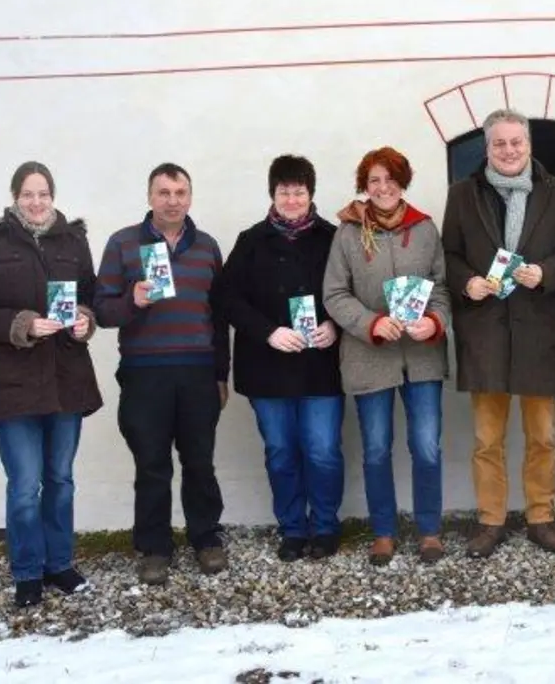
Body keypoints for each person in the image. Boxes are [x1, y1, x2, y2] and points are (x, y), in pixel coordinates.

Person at [0, 161, 102, 608]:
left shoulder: (74, 241)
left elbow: (91, 300)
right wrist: (21, 323)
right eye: (27, 194)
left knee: (61, 479)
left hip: (65, 381)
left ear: (53, 196)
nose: (36, 202)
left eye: (43, 194)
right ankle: (26, 571)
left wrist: (84, 321)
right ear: (15, 196)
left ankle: (60, 564)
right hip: (13, 386)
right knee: (24, 484)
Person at [442, 109, 555, 557]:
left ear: (529, 145)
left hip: (539, 330)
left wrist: (546, 272)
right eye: (500, 144)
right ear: (487, 148)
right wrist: (466, 281)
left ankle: (541, 517)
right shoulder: (463, 194)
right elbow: (448, 254)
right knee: (487, 439)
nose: (509, 151)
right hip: (485, 330)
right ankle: (491, 520)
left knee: (543, 437)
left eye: (516, 142)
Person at [95, 163, 231, 584]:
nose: (173, 200)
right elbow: (102, 311)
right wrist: (132, 300)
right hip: (144, 372)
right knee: (152, 464)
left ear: (190, 197)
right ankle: (154, 547)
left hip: (197, 373)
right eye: (164, 192)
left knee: (199, 462)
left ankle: (206, 538)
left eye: (180, 192)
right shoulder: (122, 244)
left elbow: (220, 316)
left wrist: (221, 374)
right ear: (150, 197)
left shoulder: (207, 247)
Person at [322, 146, 453, 566]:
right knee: (377, 448)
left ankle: (429, 530)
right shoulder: (347, 233)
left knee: (426, 447)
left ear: (402, 182)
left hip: (422, 358)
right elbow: (334, 294)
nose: (383, 188)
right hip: (369, 357)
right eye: (374, 180)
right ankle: (383, 531)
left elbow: (443, 288)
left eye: (390, 179)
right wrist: (370, 324)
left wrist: (434, 322)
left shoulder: (426, 229)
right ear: (365, 185)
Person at [217, 155, 345, 562]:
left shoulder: (334, 238)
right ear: (272, 194)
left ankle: (324, 526)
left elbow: (354, 289)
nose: (292, 199)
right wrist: (268, 332)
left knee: (323, 450)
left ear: (311, 194)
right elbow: (226, 299)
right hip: (267, 369)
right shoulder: (251, 241)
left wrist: (336, 326)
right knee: (281, 451)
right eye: (284, 191)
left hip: (321, 367)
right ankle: (292, 528)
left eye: (299, 191)